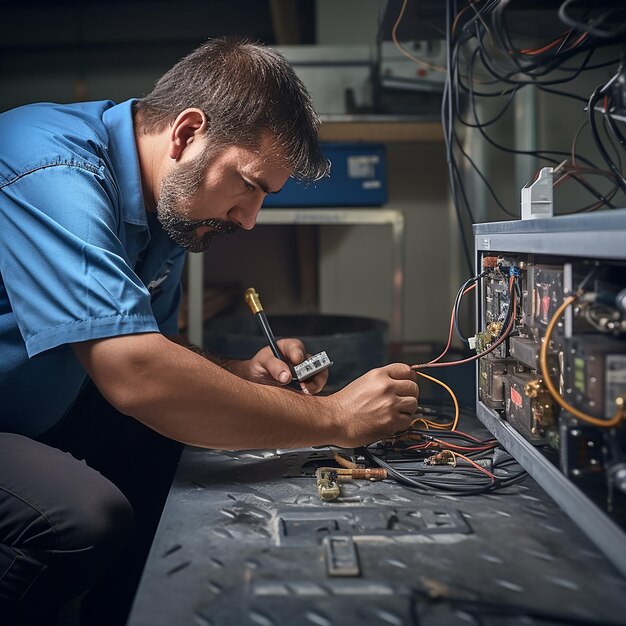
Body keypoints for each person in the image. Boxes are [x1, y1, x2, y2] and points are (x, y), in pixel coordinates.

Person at [0, 37, 419, 625]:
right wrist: (337, 419)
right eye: (248, 185)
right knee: (81, 520)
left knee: (168, 446)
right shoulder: (48, 165)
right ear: (187, 131)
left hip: (51, 404)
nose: (249, 220)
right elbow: (135, 374)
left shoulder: (168, 213)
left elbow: (155, 347)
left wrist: (243, 374)